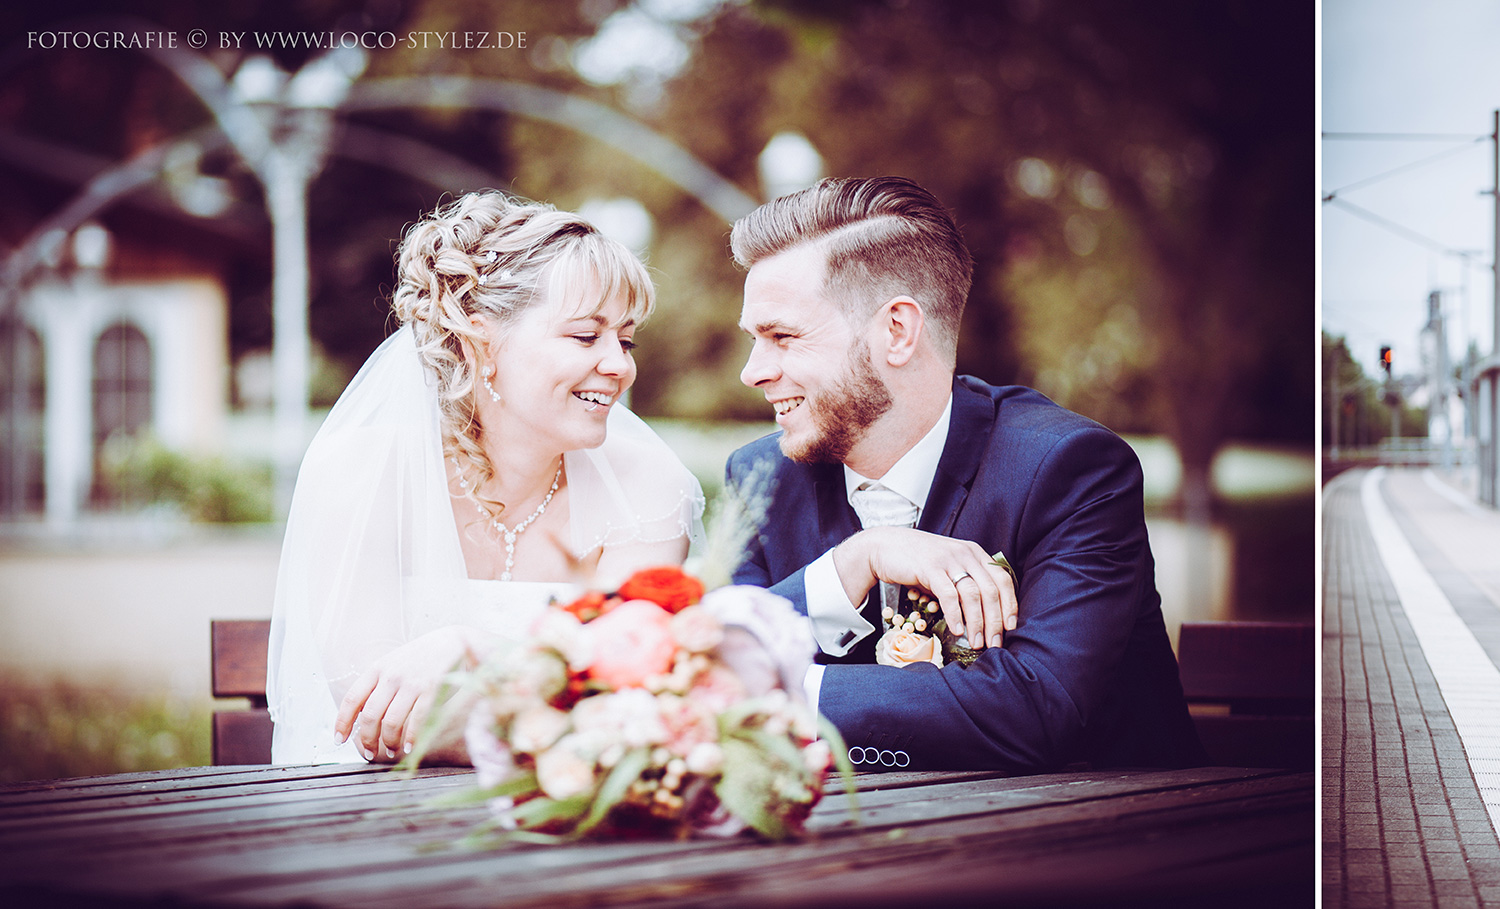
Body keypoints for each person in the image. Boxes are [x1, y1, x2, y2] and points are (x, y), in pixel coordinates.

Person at [722, 176, 1205, 771]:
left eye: (782, 337)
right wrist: (856, 561)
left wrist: (783, 689)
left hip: (1101, 843)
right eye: (754, 339)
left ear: (896, 331)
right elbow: (712, 656)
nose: (752, 372)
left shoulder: (1069, 470)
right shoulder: (759, 477)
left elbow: (1038, 709)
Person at [267, 191, 703, 764]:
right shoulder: (362, 471)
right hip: (366, 811)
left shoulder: (646, 486)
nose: (620, 367)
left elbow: (622, 706)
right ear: (481, 342)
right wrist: (550, 709)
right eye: (584, 336)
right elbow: (373, 719)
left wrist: (473, 649)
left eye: (625, 340)